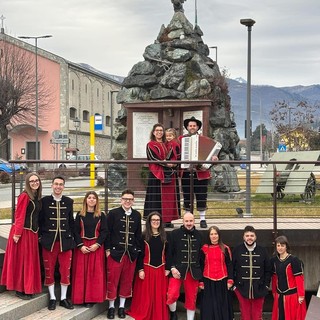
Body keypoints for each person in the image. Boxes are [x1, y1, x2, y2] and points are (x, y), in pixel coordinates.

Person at [1, 172, 42, 299]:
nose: (35, 183)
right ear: (28, 183)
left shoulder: (36, 197)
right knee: (22, 262)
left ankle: (28, 287)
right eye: (32, 181)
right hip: (23, 233)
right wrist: (17, 234)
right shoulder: (24, 196)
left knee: (29, 262)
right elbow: (19, 215)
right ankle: (20, 289)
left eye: (36, 180)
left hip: (32, 234)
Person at [39, 176, 75, 311]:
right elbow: (40, 221)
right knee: (49, 270)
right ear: (52, 185)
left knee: (65, 270)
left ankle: (64, 298)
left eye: (61, 184)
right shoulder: (44, 201)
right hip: (49, 242)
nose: (58, 186)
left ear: (63, 186)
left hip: (65, 242)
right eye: (56, 184)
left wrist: (72, 239)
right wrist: (41, 238)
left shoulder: (69, 202)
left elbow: (71, 222)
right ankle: (53, 298)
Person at [105, 189, 142, 319]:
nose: (127, 201)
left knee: (127, 281)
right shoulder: (113, 213)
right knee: (112, 280)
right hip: (115, 253)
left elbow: (138, 235)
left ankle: (121, 307)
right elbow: (107, 232)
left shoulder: (137, 215)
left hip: (131, 254)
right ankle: (110, 307)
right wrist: (108, 250)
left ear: (133, 201)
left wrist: (136, 250)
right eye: (125, 199)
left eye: (130, 199)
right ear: (121, 199)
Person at [127, 212, 170, 320]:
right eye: (153, 220)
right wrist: (140, 269)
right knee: (147, 296)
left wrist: (168, 268)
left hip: (161, 270)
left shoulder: (165, 237)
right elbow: (140, 255)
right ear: (149, 222)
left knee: (159, 296)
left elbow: (168, 254)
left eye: (158, 220)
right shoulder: (143, 237)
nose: (155, 222)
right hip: (147, 269)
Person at [179, 116, 218, 228]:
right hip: (186, 172)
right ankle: (187, 220)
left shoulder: (205, 140)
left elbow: (212, 156)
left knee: (201, 196)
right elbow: (176, 153)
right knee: (187, 196)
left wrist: (214, 159)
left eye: (194, 126)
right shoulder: (181, 139)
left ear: (198, 127)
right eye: (190, 126)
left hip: (201, 173)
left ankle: (202, 219)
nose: (192, 127)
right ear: (187, 127)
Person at [71, 191, 107, 307]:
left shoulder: (101, 215)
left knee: (94, 273)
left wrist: (97, 244)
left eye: (94, 198)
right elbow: (75, 231)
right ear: (85, 200)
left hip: (96, 247)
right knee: (81, 273)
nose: (91, 200)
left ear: (97, 201)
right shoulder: (80, 215)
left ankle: (91, 298)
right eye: (89, 198)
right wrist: (80, 245)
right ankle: (80, 298)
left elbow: (105, 232)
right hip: (82, 247)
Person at [166, 212, 202, 320]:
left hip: (193, 271)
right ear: (183, 221)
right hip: (177, 270)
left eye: (191, 221)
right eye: (186, 221)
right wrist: (172, 268)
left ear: (194, 221)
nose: (189, 223)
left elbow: (201, 256)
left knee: (192, 298)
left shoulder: (199, 235)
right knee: (172, 294)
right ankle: (173, 313)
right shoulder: (174, 234)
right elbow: (169, 253)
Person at [144, 123, 179, 228]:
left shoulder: (166, 143)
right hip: (157, 173)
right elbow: (153, 158)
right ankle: (156, 221)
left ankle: (167, 220)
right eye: (157, 130)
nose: (159, 132)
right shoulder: (150, 144)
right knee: (157, 198)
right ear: (153, 132)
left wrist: (173, 163)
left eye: (161, 130)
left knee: (168, 198)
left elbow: (173, 155)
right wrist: (166, 164)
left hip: (168, 173)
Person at [232, 225, 271, 320]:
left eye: (252, 235)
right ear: (243, 237)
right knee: (245, 315)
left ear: (255, 237)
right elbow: (231, 268)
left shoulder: (262, 250)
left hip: (259, 288)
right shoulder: (237, 250)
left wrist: (266, 285)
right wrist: (234, 286)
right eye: (247, 235)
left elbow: (268, 270)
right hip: (242, 288)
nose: (249, 238)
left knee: (257, 315)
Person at [200, 225, 233, 320]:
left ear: (219, 235)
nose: (214, 236)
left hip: (222, 281)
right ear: (209, 236)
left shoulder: (225, 248)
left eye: (216, 234)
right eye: (211, 234)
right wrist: (201, 281)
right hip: (208, 281)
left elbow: (229, 265)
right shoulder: (204, 249)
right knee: (209, 306)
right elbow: (201, 265)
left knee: (222, 305)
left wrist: (230, 280)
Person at [270, 235, 306, 320]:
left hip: (292, 296)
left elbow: (299, 278)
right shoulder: (274, 261)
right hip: (279, 295)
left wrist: (301, 295)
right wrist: (274, 292)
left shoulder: (294, 260)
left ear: (286, 246)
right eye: (278, 245)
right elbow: (274, 278)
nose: (280, 248)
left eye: (282, 245)